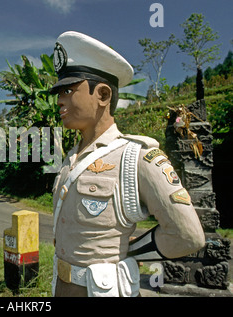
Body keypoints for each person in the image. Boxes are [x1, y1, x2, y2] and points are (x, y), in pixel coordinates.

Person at [50, 31, 205, 297]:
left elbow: (187, 235)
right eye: (59, 92)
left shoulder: (137, 156)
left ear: (102, 94)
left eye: (68, 90)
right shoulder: (71, 159)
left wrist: (129, 250)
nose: (60, 99)